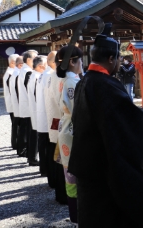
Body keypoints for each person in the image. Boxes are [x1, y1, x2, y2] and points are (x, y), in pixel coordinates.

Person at [68, 24, 143, 227]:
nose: (121, 62)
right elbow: (128, 128)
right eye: (119, 58)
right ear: (111, 59)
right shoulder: (106, 86)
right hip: (104, 171)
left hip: (87, 168)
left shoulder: (82, 83)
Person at [55, 45, 83, 223]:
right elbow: (78, 111)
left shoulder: (65, 80)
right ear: (73, 62)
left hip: (65, 128)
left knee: (69, 175)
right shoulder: (73, 82)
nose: (82, 63)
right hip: (73, 130)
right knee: (75, 174)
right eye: (80, 60)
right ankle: (78, 215)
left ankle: (75, 214)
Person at [44, 51, 67, 204]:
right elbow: (63, 102)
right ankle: (63, 194)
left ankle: (60, 192)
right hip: (60, 119)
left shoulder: (50, 75)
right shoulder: (58, 77)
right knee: (62, 159)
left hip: (53, 118)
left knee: (57, 156)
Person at [36, 52, 56, 179]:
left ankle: (44, 169)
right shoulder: (50, 76)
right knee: (49, 147)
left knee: (44, 145)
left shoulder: (43, 75)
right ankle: (49, 171)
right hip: (49, 115)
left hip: (42, 114)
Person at [17, 50, 38, 162]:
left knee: (28, 131)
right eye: (35, 57)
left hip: (26, 105)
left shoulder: (24, 70)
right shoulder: (28, 72)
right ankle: (32, 157)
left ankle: (30, 155)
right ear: (29, 59)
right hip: (30, 106)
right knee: (32, 133)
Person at [26, 56, 46, 167]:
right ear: (39, 66)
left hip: (35, 109)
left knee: (35, 134)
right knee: (35, 135)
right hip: (37, 109)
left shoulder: (35, 76)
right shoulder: (37, 77)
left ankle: (32, 157)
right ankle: (33, 158)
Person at [3, 54, 19, 149]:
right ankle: (16, 143)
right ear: (13, 63)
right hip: (13, 103)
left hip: (13, 103)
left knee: (15, 124)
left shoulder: (11, 72)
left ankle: (16, 143)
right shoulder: (11, 73)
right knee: (16, 124)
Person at [9, 56, 23, 153]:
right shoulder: (17, 74)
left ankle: (17, 145)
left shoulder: (14, 73)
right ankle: (19, 147)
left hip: (15, 103)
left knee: (17, 126)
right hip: (18, 104)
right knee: (20, 126)